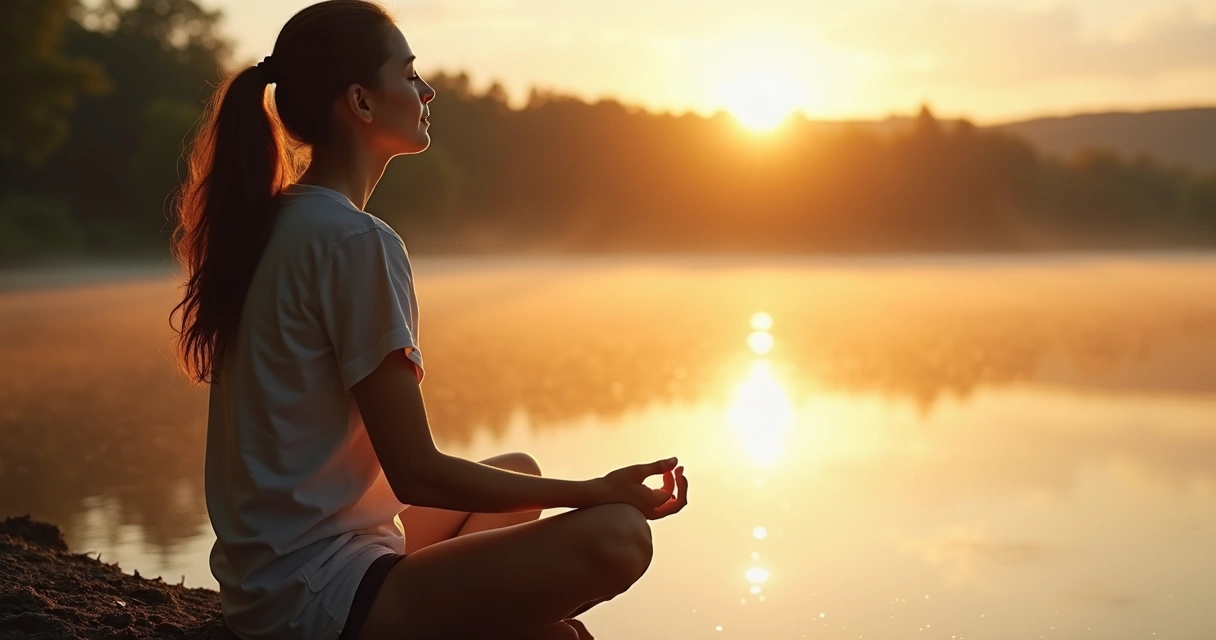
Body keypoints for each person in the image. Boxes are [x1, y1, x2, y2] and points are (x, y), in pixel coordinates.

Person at [168, 1, 688, 639]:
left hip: (276, 583)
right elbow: (416, 471)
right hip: (318, 602)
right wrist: (597, 489)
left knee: (520, 473)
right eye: (410, 74)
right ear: (361, 101)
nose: (427, 90)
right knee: (619, 535)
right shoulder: (354, 241)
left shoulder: (276, 223)